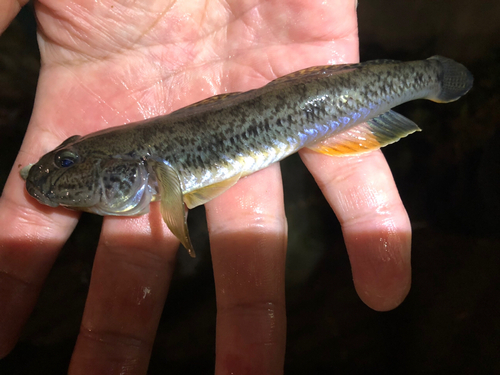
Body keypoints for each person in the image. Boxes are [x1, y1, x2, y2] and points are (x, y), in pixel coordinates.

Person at [0, 0, 411, 373]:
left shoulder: (149, 166)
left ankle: (424, 80)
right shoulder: (137, 163)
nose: (63, 173)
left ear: (127, 168)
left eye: (70, 160)